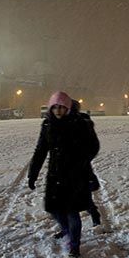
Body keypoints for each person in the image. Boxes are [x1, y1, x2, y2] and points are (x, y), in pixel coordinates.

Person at [28, 91, 100, 258]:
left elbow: (93, 146)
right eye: (55, 107)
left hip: (76, 175)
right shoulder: (48, 125)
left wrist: (81, 160)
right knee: (54, 209)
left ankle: (74, 246)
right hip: (56, 175)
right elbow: (40, 151)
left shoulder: (79, 124)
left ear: (67, 108)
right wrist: (33, 174)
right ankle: (66, 230)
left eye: (61, 107)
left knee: (72, 212)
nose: (58, 111)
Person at [53, 100, 102, 239]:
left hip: (80, 168)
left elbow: (92, 145)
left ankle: (94, 217)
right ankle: (67, 227)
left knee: (82, 198)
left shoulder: (83, 123)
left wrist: (82, 160)